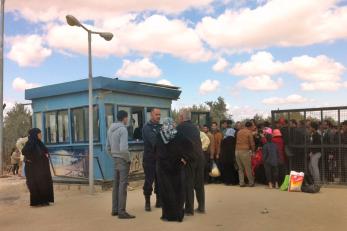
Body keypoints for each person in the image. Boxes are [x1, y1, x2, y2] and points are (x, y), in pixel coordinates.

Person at [156, 118, 195, 222]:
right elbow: (190, 147)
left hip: (164, 169)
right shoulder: (178, 135)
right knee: (178, 191)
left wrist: (163, 163)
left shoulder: (160, 135)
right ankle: (178, 215)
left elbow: (157, 152)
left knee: (166, 192)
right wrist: (185, 159)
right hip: (177, 167)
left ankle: (167, 215)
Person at [107, 110, 135, 219]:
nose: (127, 119)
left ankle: (115, 210)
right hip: (123, 160)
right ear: (124, 118)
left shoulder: (110, 129)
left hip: (115, 159)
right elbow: (124, 149)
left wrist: (114, 155)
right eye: (127, 118)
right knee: (123, 186)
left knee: (116, 185)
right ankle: (122, 212)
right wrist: (128, 159)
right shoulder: (123, 129)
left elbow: (107, 148)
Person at [177, 109, 205, 215]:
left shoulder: (180, 127)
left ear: (182, 117)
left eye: (179, 116)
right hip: (200, 157)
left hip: (189, 159)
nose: (179, 118)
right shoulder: (195, 127)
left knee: (188, 184)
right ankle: (201, 207)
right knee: (199, 183)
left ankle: (189, 210)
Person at [22, 128, 54, 207]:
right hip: (33, 169)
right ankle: (37, 202)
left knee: (44, 183)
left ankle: (45, 200)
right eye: (39, 134)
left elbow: (45, 151)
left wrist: (45, 155)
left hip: (41, 168)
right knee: (35, 184)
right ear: (35, 135)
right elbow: (25, 152)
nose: (41, 135)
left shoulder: (39, 143)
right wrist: (33, 159)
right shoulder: (30, 143)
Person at [142, 108, 162, 211]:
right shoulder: (147, 127)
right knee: (149, 181)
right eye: (156, 114)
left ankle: (159, 201)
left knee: (160, 181)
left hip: (160, 159)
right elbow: (154, 141)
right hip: (149, 159)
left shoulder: (161, 126)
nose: (158, 116)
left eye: (159, 114)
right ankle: (147, 202)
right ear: (151, 115)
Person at [235, 121, 256, 187]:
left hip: (237, 151)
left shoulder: (239, 132)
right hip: (244, 151)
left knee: (240, 168)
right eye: (252, 126)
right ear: (250, 126)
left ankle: (241, 182)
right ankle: (251, 182)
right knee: (248, 168)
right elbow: (252, 143)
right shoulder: (249, 132)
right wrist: (253, 151)